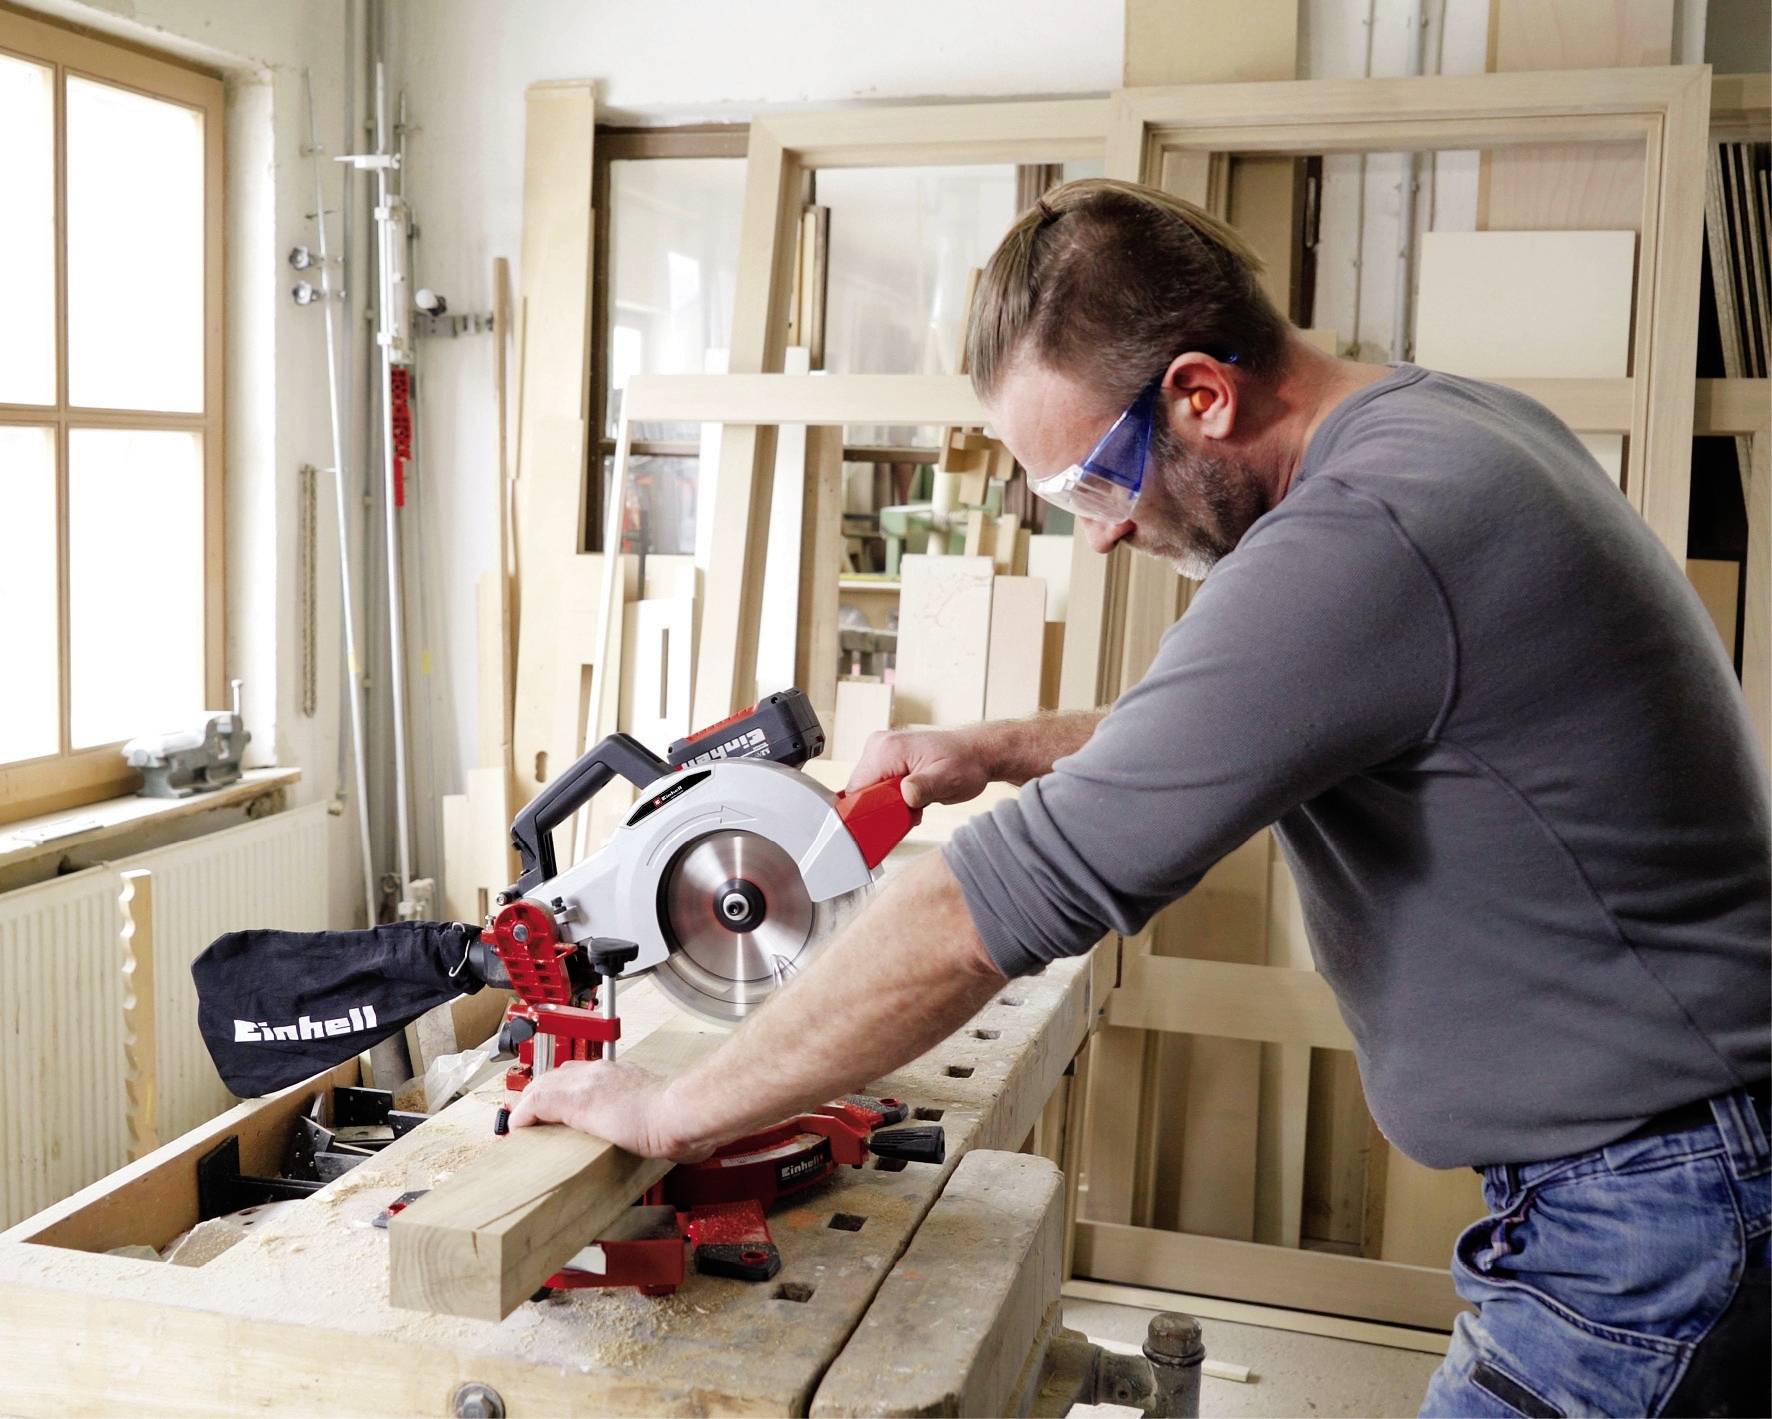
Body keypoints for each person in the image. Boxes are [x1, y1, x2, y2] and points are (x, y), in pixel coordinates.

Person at [510, 179, 1770, 1417]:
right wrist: (1001, 746)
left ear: (1201, 395)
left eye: (1092, 486)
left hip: (1653, 1204)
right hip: (1667, 1164)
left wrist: (671, 1106)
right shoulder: (1434, 429)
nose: (1100, 536)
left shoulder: (1364, 529)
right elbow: (1266, 715)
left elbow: (973, 912)